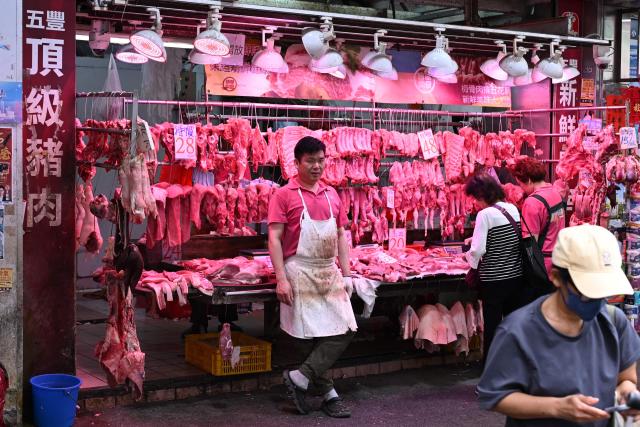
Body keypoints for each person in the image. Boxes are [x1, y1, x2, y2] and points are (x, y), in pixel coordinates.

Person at [478, 224, 640, 426]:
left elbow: (627, 377)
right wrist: (557, 407)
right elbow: (496, 396)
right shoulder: (518, 331)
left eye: (602, 293)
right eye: (585, 291)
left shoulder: (614, 322)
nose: (595, 301)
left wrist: (627, 393)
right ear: (556, 278)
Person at [268, 136, 357, 418]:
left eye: (321, 160)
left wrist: (347, 273)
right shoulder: (284, 194)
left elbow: (342, 235)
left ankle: (300, 377)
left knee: (344, 328)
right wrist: (281, 278)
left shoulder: (332, 194)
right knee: (307, 336)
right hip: (299, 269)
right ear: (297, 163)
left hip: (328, 269)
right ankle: (329, 394)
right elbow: (274, 238)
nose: (317, 166)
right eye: (310, 161)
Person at [464, 174, 525, 366]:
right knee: (512, 325)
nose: (476, 203)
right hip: (515, 277)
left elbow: (478, 250)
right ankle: (514, 368)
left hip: (494, 280)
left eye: (476, 198)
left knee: (492, 327)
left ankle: (490, 372)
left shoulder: (485, 214)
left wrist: (468, 260)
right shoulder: (512, 209)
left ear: (483, 195)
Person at [512, 157, 566, 276]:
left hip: (542, 268)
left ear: (529, 180)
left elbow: (530, 244)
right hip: (558, 261)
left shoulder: (532, 202)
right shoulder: (554, 192)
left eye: (520, 184)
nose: (521, 189)